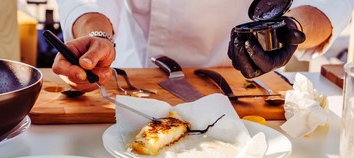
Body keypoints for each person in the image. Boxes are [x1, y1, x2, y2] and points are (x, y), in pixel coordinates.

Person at [52, 0, 354, 92]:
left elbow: (326, 3)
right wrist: (97, 36)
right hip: (137, 80)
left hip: (248, 86)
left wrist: (289, 30)